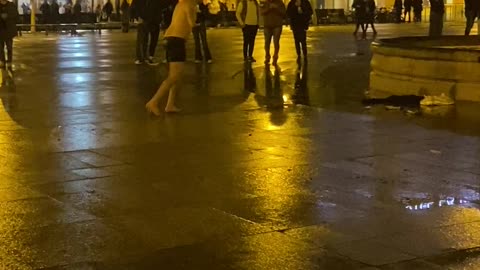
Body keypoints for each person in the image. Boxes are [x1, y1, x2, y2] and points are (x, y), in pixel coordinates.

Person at [145, 0, 197, 115]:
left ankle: (170, 104)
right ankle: (153, 102)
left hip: (170, 39)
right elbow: (191, 23)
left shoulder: (180, 4)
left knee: (176, 75)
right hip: (177, 40)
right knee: (174, 76)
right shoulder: (188, 4)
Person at [130, 0, 164, 65]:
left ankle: (145, 57)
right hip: (145, 18)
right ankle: (142, 58)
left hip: (151, 19)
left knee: (147, 39)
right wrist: (137, 16)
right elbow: (134, 6)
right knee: (143, 39)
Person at [261, 0, 286, 65]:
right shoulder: (265, 3)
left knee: (276, 42)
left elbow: (284, 13)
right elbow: (262, 12)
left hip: (277, 25)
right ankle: (267, 56)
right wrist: (269, 8)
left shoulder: (280, 3)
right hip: (267, 25)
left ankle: (275, 56)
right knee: (267, 42)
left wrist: (276, 8)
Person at [0, 0, 17, 68]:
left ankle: (9, 61)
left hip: (9, 30)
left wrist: (8, 16)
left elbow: (16, 15)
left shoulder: (11, 5)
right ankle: (2, 61)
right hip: (0, 30)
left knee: (9, 47)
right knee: (0, 48)